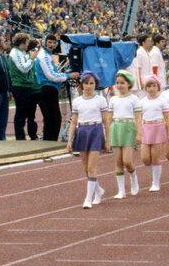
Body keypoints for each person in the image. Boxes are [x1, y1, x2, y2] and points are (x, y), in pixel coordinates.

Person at [68, 71, 110, 208]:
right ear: (82, 85)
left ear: (95, 85)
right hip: (82, 132)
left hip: (96, 131)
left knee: (92, 167)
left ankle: (88, 199)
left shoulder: (100, 100)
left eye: (91, 83)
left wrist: (108, 139)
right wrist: (69, 140)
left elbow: (106, 121)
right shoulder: (77, 102)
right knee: (86, 168)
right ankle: (98, 191)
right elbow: (73, 122)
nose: (88, 86)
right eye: (86, 83)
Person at [108, 70, 141, 198]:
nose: (120, 85)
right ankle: (121, 190)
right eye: (117, 83)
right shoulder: (113, 99)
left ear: (129, 84)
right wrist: (107, 133)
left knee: (127, 160)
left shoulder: (134, 99)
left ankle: (133, 178)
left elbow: (138, 117)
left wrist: (139, 134)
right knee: (118, 161)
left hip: (128, 128)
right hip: (116, 128)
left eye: (122, 83)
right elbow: (109, 117)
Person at [139, 75, 169, 191]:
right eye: (149, 86)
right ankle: (155, 174)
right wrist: (138, 132)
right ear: (145, 88)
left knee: (155, 157)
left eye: (154, 86)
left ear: (158, 87)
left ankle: (156, 182)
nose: (152, 88)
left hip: (158, 127)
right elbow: (139, 118)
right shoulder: (142, 102)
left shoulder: (162, 101)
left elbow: (167, 117)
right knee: (145, 158)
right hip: (146, 127)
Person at [34, 34, 67, 142]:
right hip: (48, 88)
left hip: (51, 89)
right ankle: (50, 142)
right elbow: (51, 75)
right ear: (44, 42)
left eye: (53, 43)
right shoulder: (44, 56)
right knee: (53, 118)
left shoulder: (48, 55)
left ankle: (50, 141)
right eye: (49, 42)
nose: (52, 45)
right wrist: (68, 76)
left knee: (53, 118)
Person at [8, 33, 38, 141]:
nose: (28, 45)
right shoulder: (15, 53)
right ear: (22, 43)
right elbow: (23, 69)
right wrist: (32, 59)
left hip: (26, 85)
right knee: (21, 112)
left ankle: (28, 135)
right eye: (27, 42)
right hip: (20, 86)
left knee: (27, 112)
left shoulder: (22, 52)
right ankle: (20, 137)